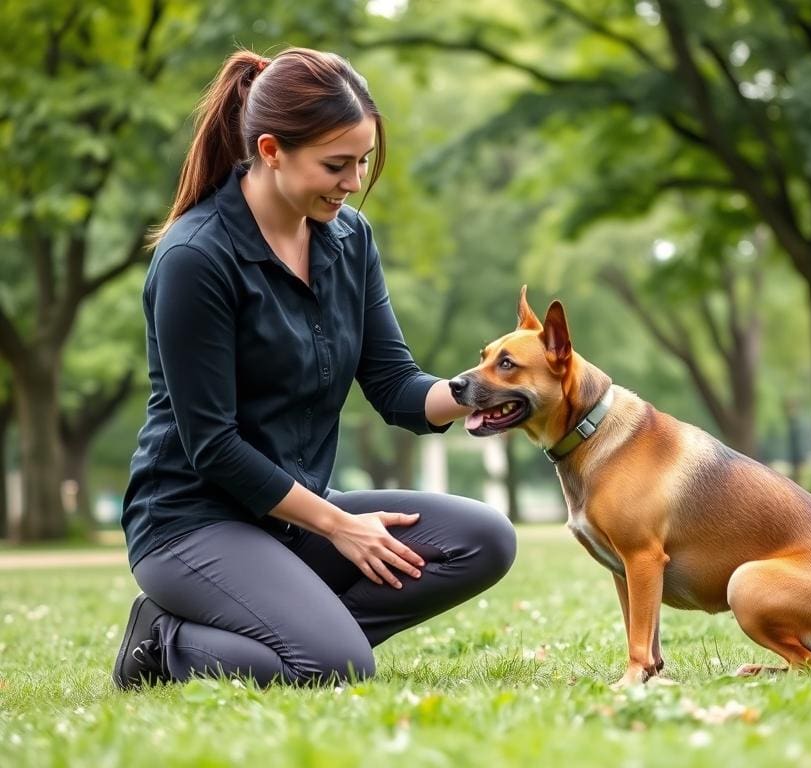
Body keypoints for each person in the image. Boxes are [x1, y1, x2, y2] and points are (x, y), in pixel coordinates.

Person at [112, 47, 517, 689]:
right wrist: (338, 524)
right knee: (333, 666)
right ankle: (166, 640)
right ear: (271, 150)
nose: (353, 181)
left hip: (291, 515)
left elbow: (393, 386)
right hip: (192, 521)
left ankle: (293, 631)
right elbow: (213, 447)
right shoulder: (196, 258)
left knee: (483, 539)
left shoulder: (349, 238)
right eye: (336, 164)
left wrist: (494, 391)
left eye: (361, 161)